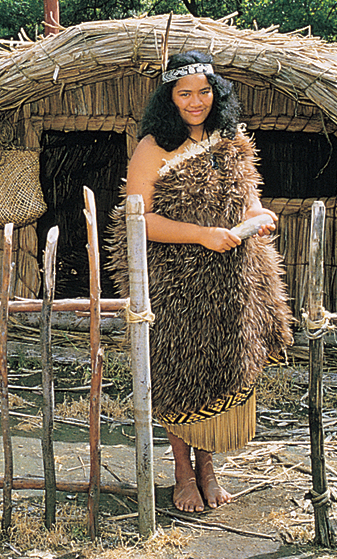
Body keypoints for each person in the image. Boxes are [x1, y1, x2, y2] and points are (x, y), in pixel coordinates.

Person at [108, 51, 293, 513]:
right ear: (169, 97)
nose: (196, 101)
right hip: (176, 279)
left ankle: (208, 465)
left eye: (205, 91)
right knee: (178, 370)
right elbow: (139, 219)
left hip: (232, 275)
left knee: (218, 365)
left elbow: (248, 196)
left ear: (218, 93)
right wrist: (201, 236)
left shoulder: (229, 137)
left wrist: (256, 215)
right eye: (185, 92)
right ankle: (183, 471)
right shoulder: (153, 147)